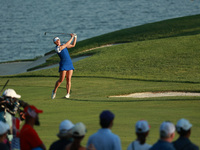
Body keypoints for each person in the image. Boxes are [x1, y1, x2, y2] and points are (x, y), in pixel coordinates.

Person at [51, 33, 77, 99]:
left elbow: (73, 45)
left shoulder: (63, 45)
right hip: (63, 64)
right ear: (55, 43)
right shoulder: (57, 48)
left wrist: (75, 37)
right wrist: (72, 37)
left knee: (68, 79)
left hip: (69, 63)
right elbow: (66, 44)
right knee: (61, 80)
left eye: (58, 40)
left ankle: (68, 94)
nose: (58, 41)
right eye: (56, 41)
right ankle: (54, 91)